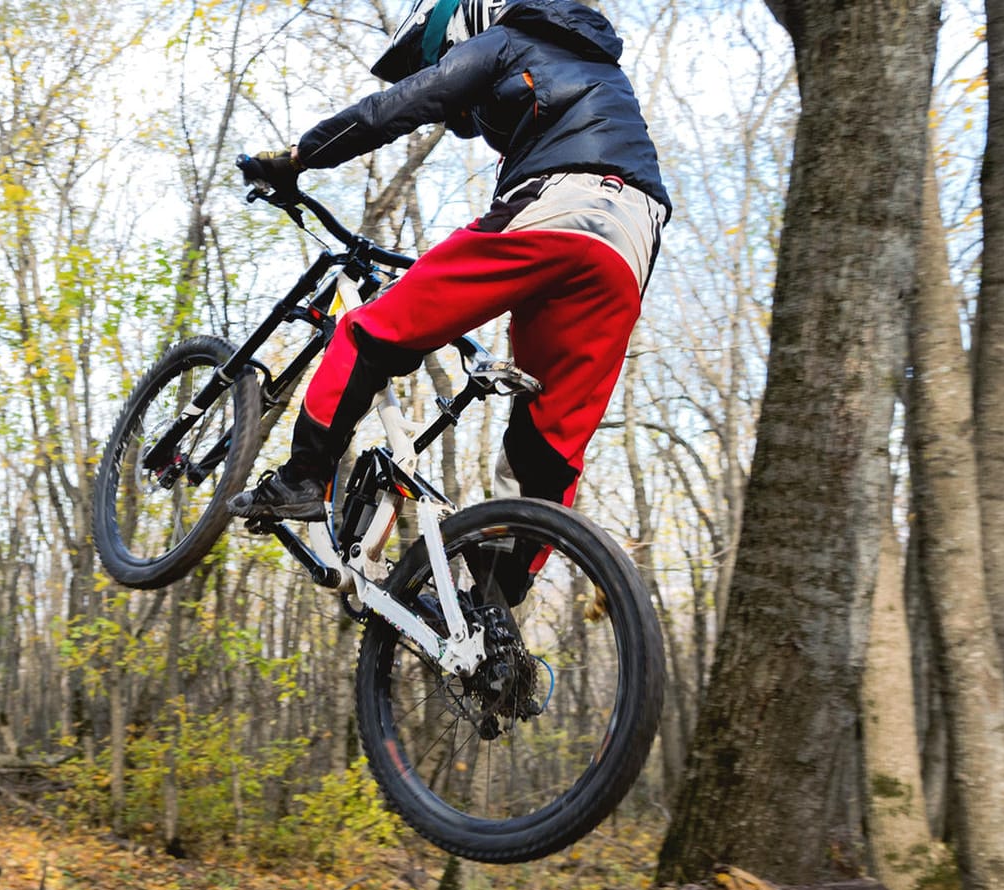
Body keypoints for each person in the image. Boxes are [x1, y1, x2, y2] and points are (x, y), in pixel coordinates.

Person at [225, 0, 671, 538]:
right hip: (633, 240)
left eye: (442, 52)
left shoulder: (507, 40)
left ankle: (302, 480)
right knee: (548, 439)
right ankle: (493, 602)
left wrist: (298, 157)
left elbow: (395, 108)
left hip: (557, 206)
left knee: (370, 330)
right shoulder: (604, 71)